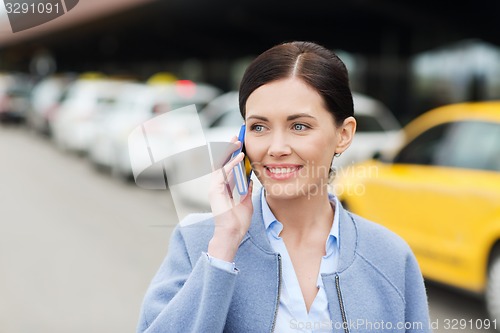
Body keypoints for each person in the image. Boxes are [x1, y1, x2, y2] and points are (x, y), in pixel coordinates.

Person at [137, 41, 431, 333]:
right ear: (241, 139)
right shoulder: (197, 243)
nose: (276, 148)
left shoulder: (390, 257)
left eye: (299, 126)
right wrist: (224, 248)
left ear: (343, 134)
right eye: (259, 127)